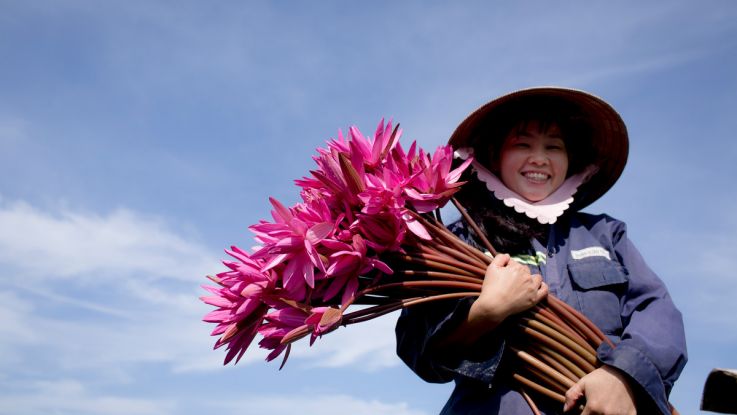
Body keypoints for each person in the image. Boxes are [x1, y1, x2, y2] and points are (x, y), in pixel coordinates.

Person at [395, 87, 687, 414]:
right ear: (493, 154)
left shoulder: (605, 234)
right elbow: (419, 347)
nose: (539, 158)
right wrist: (485, 313)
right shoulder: (457, 240)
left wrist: (622, 377)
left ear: (571, 159)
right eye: (522, 144)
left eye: (554, 147)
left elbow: (656, 311)